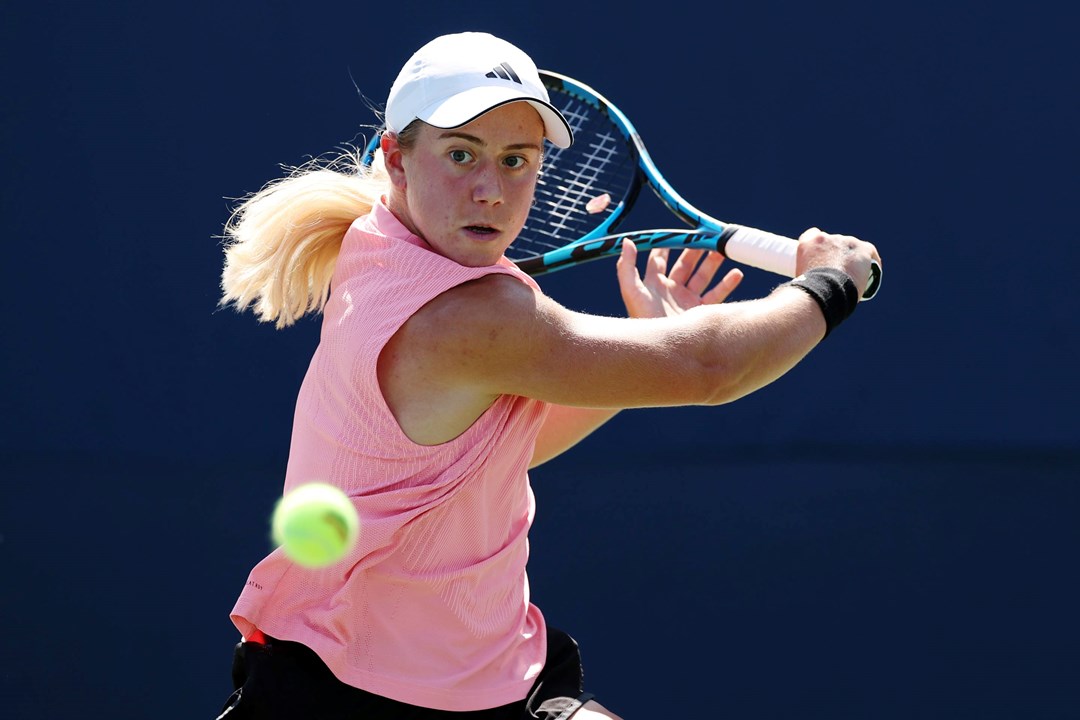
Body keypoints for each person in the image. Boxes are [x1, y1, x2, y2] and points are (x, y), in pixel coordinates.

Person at [214, 31, 881, 720]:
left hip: (486, 676)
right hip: (349, 696)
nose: (490, 190)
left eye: (516, 161)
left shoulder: (382, 247)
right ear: (396, 160)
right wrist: (828, 286)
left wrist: (630, 367)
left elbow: (497, 449)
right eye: (461, 155)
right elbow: (708, 367)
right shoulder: (469, 315)